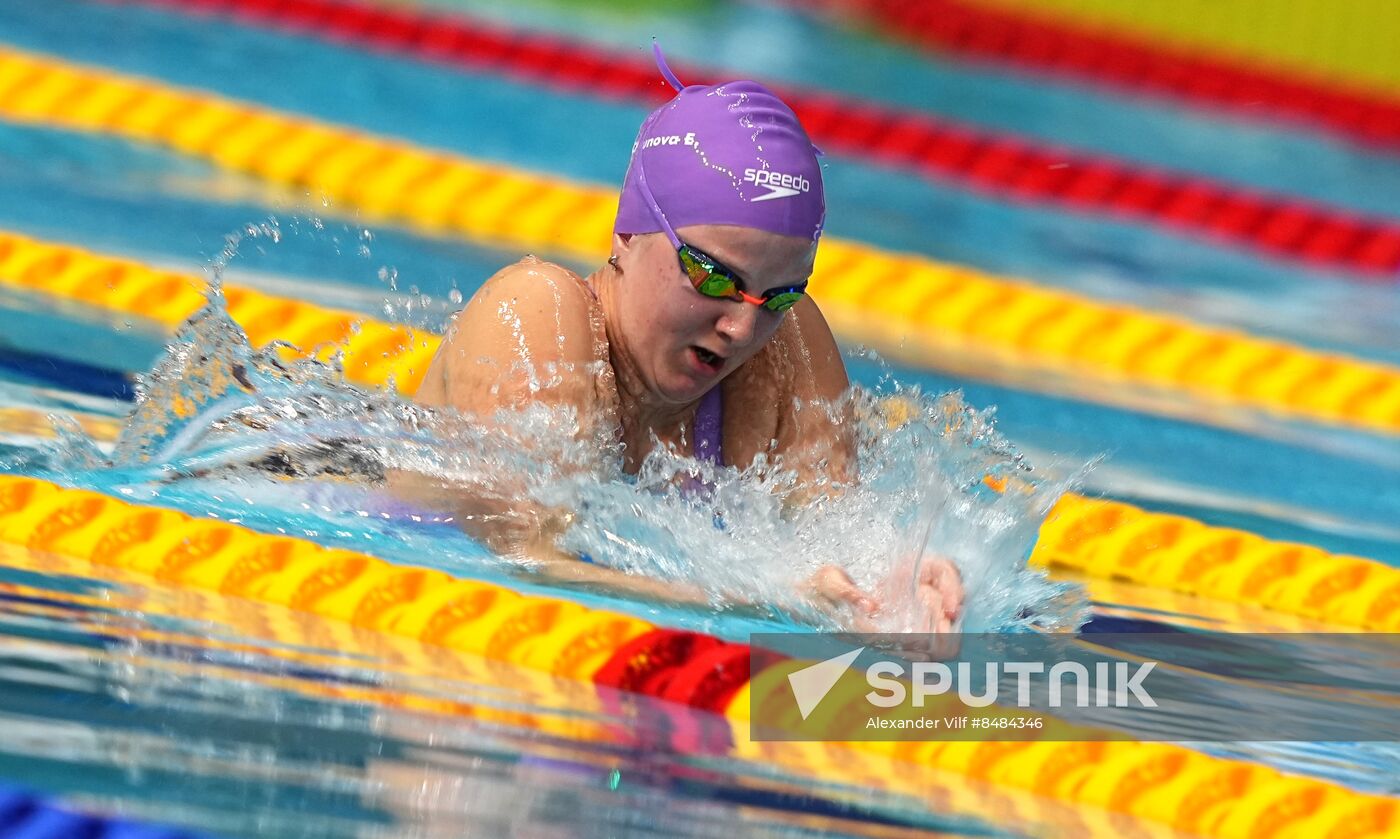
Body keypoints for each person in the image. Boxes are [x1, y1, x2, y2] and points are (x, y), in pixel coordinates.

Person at [393, 48, 962, 632]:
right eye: (713, 276)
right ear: (627, 233)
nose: (742, 329)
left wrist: (899, 581)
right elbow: (529, 561)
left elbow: (836, 547)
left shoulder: (783, 343)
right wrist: (761, 599)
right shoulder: (540, 310)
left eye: (780, 293)